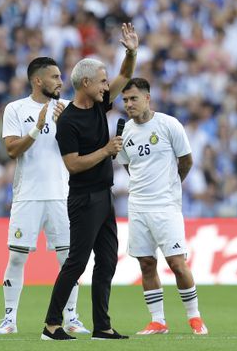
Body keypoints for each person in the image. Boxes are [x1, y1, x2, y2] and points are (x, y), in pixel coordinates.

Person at [41, 23, 138, 341]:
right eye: (101, 81)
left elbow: (124, 75)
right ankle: (51, 324)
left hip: (103, 195)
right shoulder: (68, 119)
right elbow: (73, 164)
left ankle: (102, 326)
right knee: (77, 261)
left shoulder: (98, 103)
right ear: (85, 83)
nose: (107, 86)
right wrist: (107, 150)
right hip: (84, 198)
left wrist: (132, 52)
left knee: (108, 260)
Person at [0, 57, 89, 335]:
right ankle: (9, 319)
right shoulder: (16, 108)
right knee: (17, 258)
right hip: (28, 196)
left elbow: (81, 145)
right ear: (38, 80)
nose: (61, 81)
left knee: (68, 260)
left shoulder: (69, 108)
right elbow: (11, 150)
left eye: (61, 76)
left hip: (63, 195)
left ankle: (71, 317)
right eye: (55, 77)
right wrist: (37, 126)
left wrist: (67, 125)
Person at [116, 78, 208, 335]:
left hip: (166, 205)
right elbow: (127, 165)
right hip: (137, 207)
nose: (128, 104)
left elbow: (186, 161)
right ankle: (158, 321)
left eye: (133, 98)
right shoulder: (125, 132)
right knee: (146, 263)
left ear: (147, 98)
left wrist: (171, 186)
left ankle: (195, 317)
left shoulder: (169, 125)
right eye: (124, 100)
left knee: (177, 263)